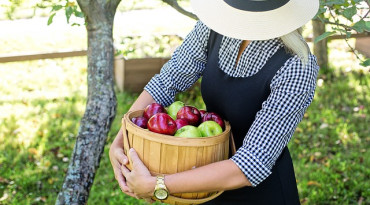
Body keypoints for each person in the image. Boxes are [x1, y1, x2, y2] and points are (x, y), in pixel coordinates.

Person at [109, 0, 320, 204]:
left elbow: (251, 165)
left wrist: (157, 184)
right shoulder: (215, 27)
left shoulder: (297, 66)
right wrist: (121, 139)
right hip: (199, 180)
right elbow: (167, 82)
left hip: (257, 194)